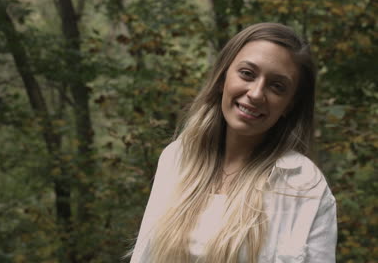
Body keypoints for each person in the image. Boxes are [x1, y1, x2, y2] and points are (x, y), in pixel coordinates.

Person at [129, 23, 337, 263]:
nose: (256, 93)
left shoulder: (305, 187)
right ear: (222, 78)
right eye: (247, 74)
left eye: (277, 86)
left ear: (289, 105)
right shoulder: (176, 158)